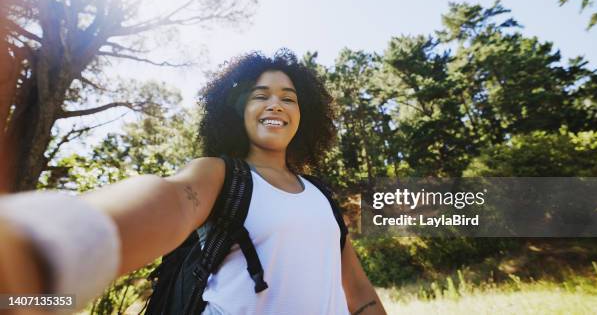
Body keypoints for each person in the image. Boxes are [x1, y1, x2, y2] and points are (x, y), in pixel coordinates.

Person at [0, 50, 386, 315]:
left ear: (304, 115)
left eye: (289, 98)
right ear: (237, 112)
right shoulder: (220, 174)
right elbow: (168, 201)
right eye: (260, 95)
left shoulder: (321, 195)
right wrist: (46, 247)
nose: (276, 104)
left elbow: (360, 294)